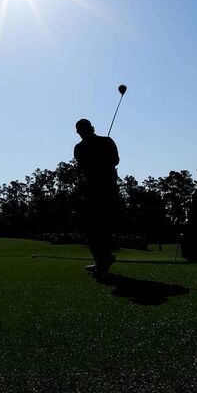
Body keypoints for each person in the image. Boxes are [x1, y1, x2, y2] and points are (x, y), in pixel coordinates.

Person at [72, 118, 120, 279]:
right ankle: (102, 260)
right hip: (96, 191)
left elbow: (114, 161)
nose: (81, 133)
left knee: (98, 228)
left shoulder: (85, 147)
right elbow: (113, 161)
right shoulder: (100, 143)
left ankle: (103, 261)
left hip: (102, 191)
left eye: (81, 130)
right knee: (96, 228)